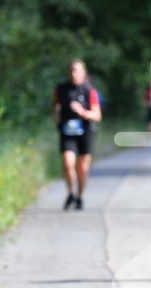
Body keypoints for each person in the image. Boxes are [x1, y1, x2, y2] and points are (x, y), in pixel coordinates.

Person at [51, 59, 102, 210]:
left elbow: (97, 115)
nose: (74, 74)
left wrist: (83, 112)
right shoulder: (61, 89)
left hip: (85, 130)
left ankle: (80, 196)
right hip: (67, 130)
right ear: (68, 72)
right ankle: (70, 193)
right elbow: (55, 106)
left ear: (84, 72)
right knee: (67, 163)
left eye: (77, 70)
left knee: (83, 166)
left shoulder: (89, 90)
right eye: (72, 70)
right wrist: (56, 114)